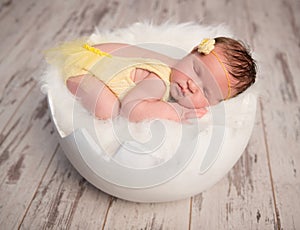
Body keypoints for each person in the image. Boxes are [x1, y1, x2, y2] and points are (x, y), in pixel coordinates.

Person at [45, 37, 256, 122]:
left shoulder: (178, 65)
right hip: (84, 72)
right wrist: (177, 112)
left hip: (99, 60)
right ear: (191, 52)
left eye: (207, 92)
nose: (193, 85)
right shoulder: (159, 82)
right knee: (109, 110)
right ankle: (72, 84)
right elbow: (131, 109)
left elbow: (138, 52)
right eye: (197, 71)